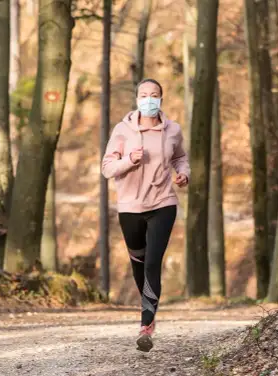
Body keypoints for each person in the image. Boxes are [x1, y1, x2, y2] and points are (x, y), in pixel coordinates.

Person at [101, 78, 190, 352]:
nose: (149, 99)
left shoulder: (172, 130)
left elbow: (180, 157)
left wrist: (183, 173)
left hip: (163, 203)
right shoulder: (122, 130)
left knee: (152, 261)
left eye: (154, 95)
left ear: (161, 99)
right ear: (137, 98)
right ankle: (147, 303)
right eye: (144, 94)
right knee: (138, 262)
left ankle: (146, 325)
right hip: (130, 208)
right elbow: (107, 168)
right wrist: (129, 161)